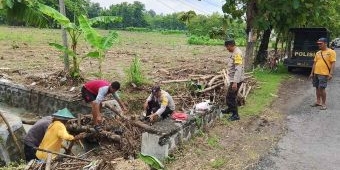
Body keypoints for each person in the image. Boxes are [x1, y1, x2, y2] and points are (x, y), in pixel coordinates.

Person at [309, 37, 336, 110]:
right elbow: (314, 63)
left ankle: (324, 104)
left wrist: (331, 74)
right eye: (318, 44)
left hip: (324, 74)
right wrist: (312, 73)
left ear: (325, 43)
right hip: (316, 73)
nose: (319, 45)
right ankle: (318, 102)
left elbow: (333, 63)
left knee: (322, 88)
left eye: (321, 43)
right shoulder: (318, 52)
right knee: (317, 88)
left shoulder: (331, 52)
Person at [221, 39, 244, 121]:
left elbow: (238, 69)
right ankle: (230, 109)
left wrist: (235, 83)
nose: (227, 49)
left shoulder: (237, 53)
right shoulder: (234, 52)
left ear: (230, 45)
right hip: (234, 79)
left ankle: (235, 115)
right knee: (230, 96)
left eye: (227, 47)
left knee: (230, 97)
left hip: (236, 80)